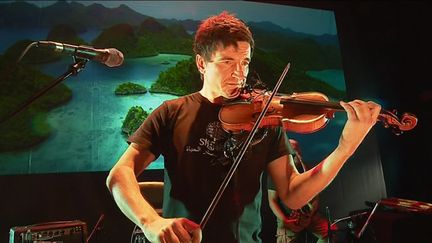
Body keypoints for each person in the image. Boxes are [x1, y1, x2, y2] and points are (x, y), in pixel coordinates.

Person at [106, 11, 381, 243]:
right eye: (227, 62)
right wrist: (150, 221)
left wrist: (345, 148)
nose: (239, 73)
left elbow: (294, 195)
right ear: (202, 63)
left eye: (245, 62)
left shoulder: (264, 118)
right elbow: (120, 174)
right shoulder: (171, 112)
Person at [268, 139, 334, 243]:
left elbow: (316, 195)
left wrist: (310, 215)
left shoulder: (306, 168)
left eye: (297, 149)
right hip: (289, 217)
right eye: (292, 149)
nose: (295, 152)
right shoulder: (278, 171)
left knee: (330, 231)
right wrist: (286, 220)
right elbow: (272, 200)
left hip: (308, 215)